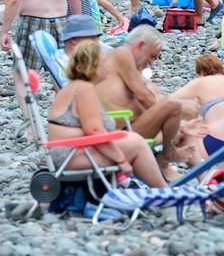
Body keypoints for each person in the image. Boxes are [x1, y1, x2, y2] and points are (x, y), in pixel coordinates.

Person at [48, 40, 166, 187]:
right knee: (137, 143)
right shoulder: (85, 89)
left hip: (67, 153)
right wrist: (121, 160)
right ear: (93, 65)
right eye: (103, 63)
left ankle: (151, 189)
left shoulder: (73, 87)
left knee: (132, 139)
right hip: (72, 156)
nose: (107, 68)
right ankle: (163, 192)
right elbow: (94, 131)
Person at [96, 25, 190, 177]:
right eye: (152, 56)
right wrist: (168, 117)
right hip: (121, 132)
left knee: (182, 127)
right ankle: (167, 156)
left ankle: (203, 176)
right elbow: (144, 97)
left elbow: (148, 96)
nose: (152, 62)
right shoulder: (122, 53)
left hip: (127, 127)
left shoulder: (124, 62)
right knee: (173, 107)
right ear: (140, 45)